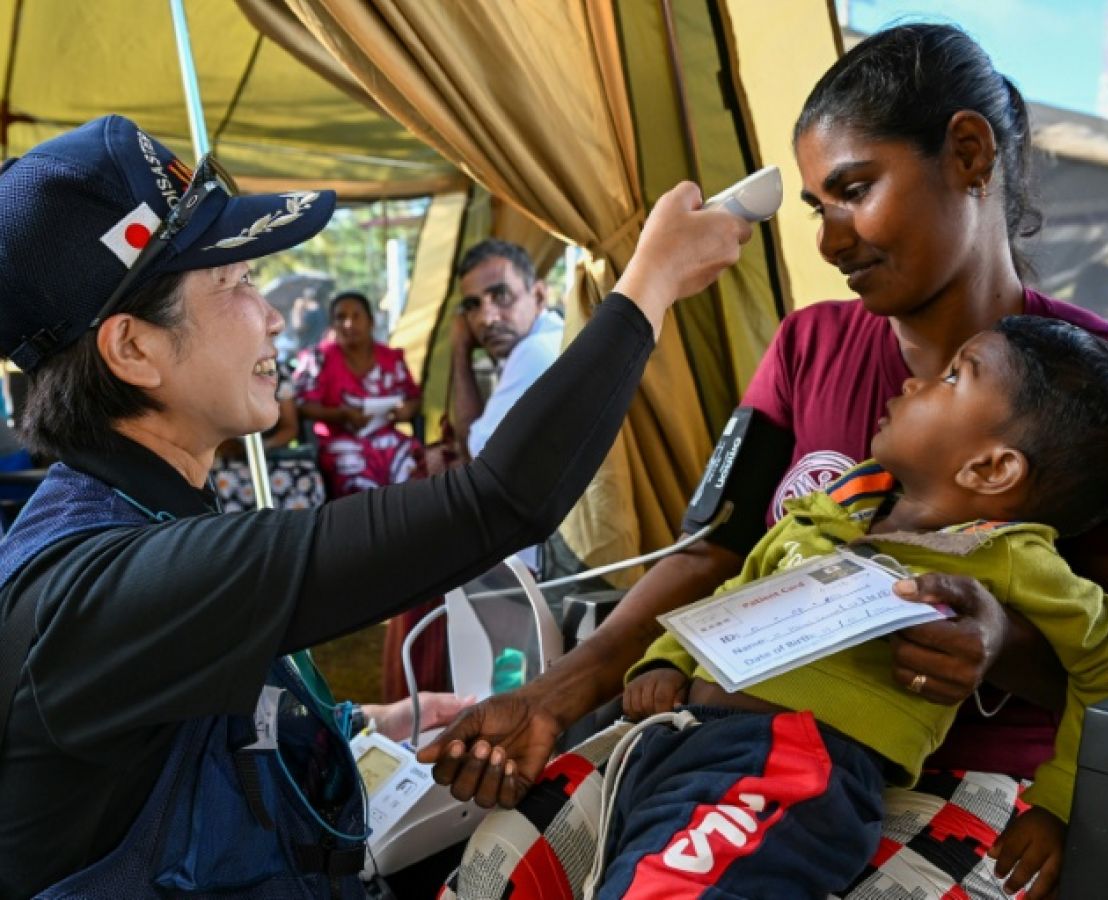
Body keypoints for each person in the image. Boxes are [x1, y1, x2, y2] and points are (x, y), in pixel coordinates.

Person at [419, 21, 1108, 884]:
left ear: (969, 155)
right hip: (723, 738)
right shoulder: (806, 347)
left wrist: (997, 638)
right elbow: (712, 553)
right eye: (818, 208)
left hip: (971, 775)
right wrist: (552, 696)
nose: (830, 243)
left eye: (855, 190)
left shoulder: (1100, 390)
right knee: (497, 862)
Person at [0, 114, 750, 897]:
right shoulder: (101, 585)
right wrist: (651, 281)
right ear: (132, 350)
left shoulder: (139, 509)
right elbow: (497, 500)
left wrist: (361, 726)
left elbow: (169, 732)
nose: (272, 313)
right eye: (233, 282)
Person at [606, 316, 1108, 899]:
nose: (913, 383)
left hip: (792, 768)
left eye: (952, 378)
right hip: (674, 739)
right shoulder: (841, 503)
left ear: (991, 468)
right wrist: (667, 658)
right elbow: (743, 588)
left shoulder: (1005, 556)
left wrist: (1058, 800)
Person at [443, 239, 565, 573]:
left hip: (551, 565)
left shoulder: (537, 350)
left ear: (539, 296)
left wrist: (459, 352)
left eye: (501, 296)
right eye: (472, 305)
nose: (486, 318)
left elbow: (476, 461)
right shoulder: (552, 335)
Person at [294, 290, 427, 498]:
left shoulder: (391, 358)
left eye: (356, 316)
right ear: (332, 325)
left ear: (371, 322)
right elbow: (302, 405)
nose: (349, 324)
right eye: (341, 317)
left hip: (389, 439)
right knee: (359, 484)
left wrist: (408, 409)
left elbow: (414, 397)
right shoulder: (318, 359)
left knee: (419, 469)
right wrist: (341, 415)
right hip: (340, 443)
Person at [211, 368, 326, 511]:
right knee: (218, 484)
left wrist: (263, 446)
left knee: (305, 476)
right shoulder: (213, 371)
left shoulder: (275, 370)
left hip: (268, 455)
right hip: (224, 461)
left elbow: (290, 428)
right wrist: (222, 444)